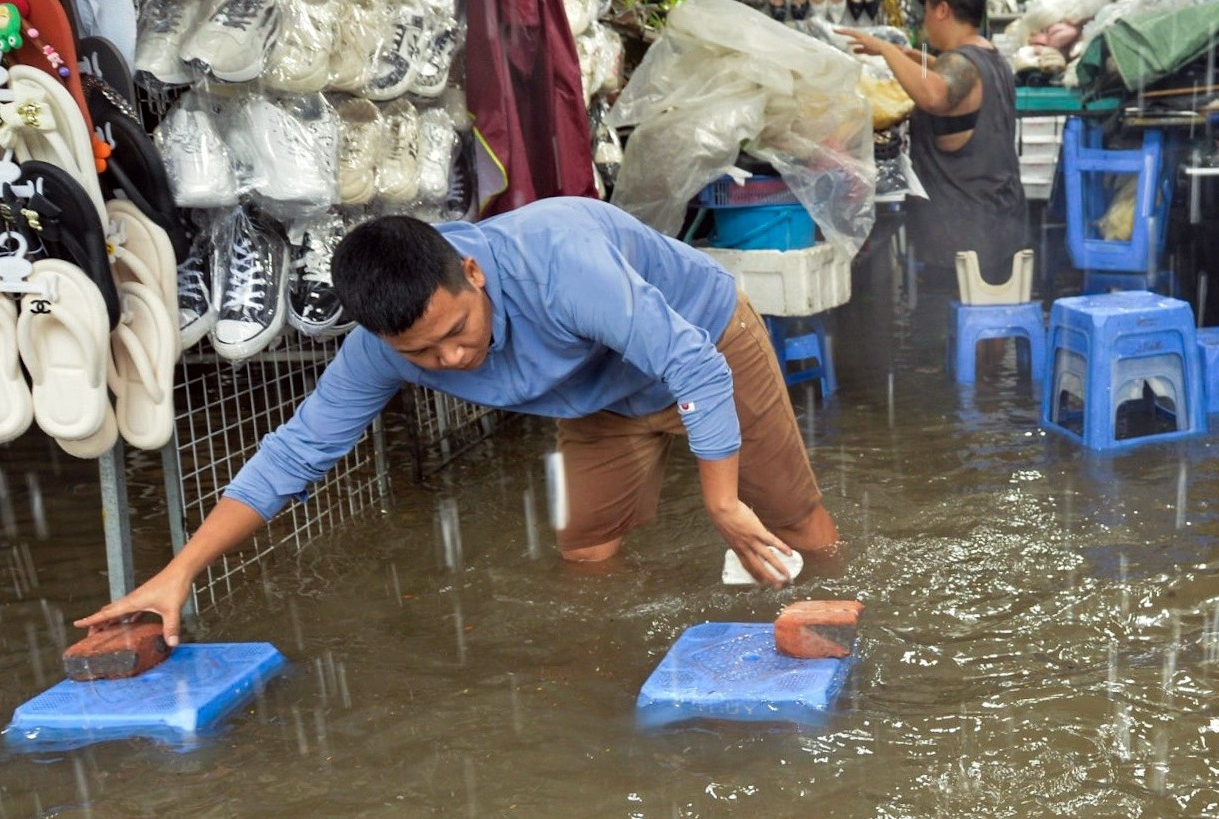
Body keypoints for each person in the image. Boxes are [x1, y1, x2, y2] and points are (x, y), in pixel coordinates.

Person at [77, 197, 841, 645]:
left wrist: (719, 499)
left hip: (704, 340)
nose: (449, 359)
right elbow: (296, 453)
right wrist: (177, 574)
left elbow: (694, 367)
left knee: (793, 517)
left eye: (456, 331)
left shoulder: (560, 264)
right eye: (422, 351)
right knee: (587, 551)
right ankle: (613, 662)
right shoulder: (383, 351)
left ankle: (842, 619)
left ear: (472, 271)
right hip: (596, 401)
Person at [837, 0, 1028, 290]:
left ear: (942, 10)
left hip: (966, 233)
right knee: (989, 327)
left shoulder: (961, 63)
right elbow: (947, 75)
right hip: (1000, 222)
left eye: (926, 11)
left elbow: (935, 95)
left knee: (958, 329)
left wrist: (884, 48)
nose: (924, 21)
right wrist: (906, 55)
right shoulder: (991, 57)